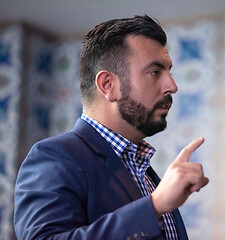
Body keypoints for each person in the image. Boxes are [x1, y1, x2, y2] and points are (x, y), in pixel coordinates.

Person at [14, 15, 209, 240]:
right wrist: (154, 206)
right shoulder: (54, 157)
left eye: (169, 71)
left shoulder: (143, 171)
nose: (172, 86)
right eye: (155, 72)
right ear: (108, 85)